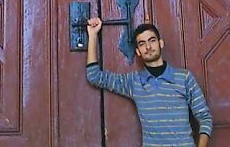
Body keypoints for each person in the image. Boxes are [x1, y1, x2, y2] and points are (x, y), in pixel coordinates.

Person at [85, 16, 213, 147]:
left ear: (160, 43)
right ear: (138, 52)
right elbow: (94, 76)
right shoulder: (134, 82)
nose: (148, 46)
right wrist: (93, 35)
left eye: (152, 41)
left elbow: (205, 118)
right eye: (142, 43)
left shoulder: (184, 78)